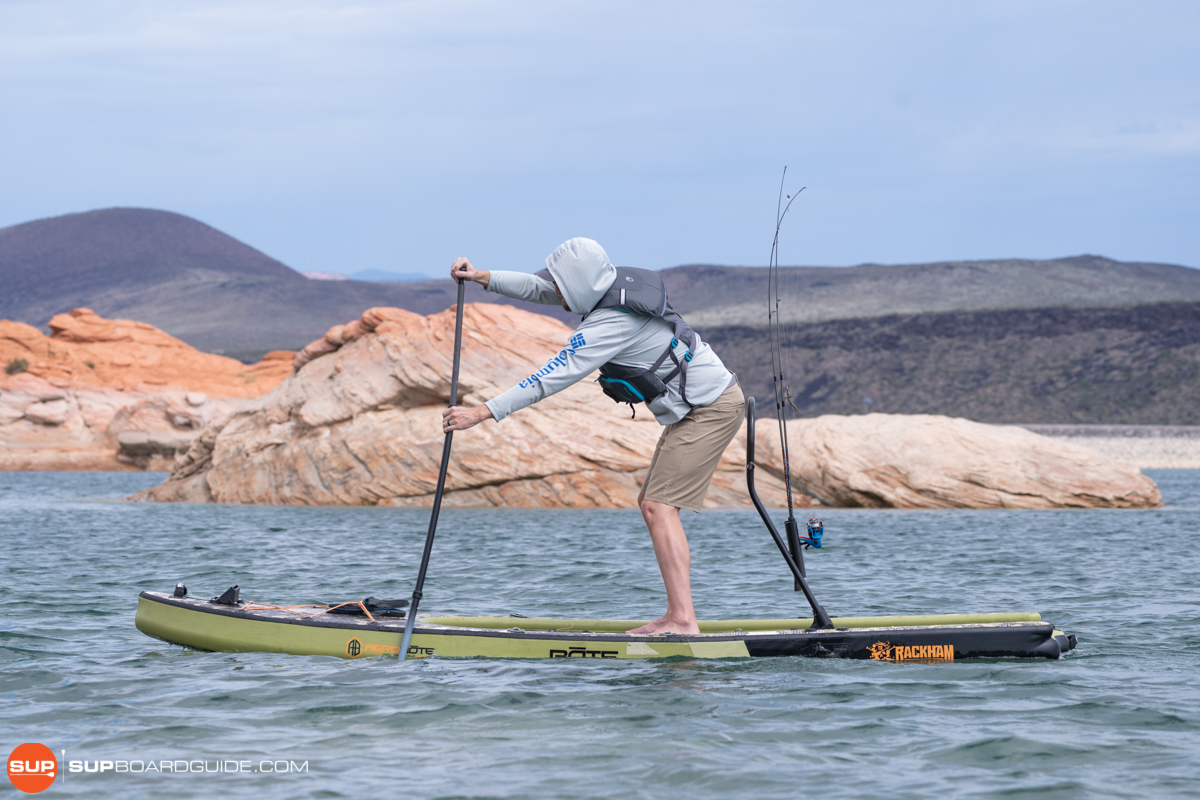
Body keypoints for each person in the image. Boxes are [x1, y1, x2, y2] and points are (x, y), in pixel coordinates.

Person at [442, 238, 745, 635]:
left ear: (583, 286)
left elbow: (550, 378)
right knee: (651, 504)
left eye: (563, 286)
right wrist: (481, 276)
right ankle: (676, 615)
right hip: (696, 408)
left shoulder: (610, 325)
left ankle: (683, 620)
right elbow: (539, 288)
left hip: (710, 409)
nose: (555, 291)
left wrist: (482, 411)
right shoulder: (605, 287)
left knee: (658, 506)